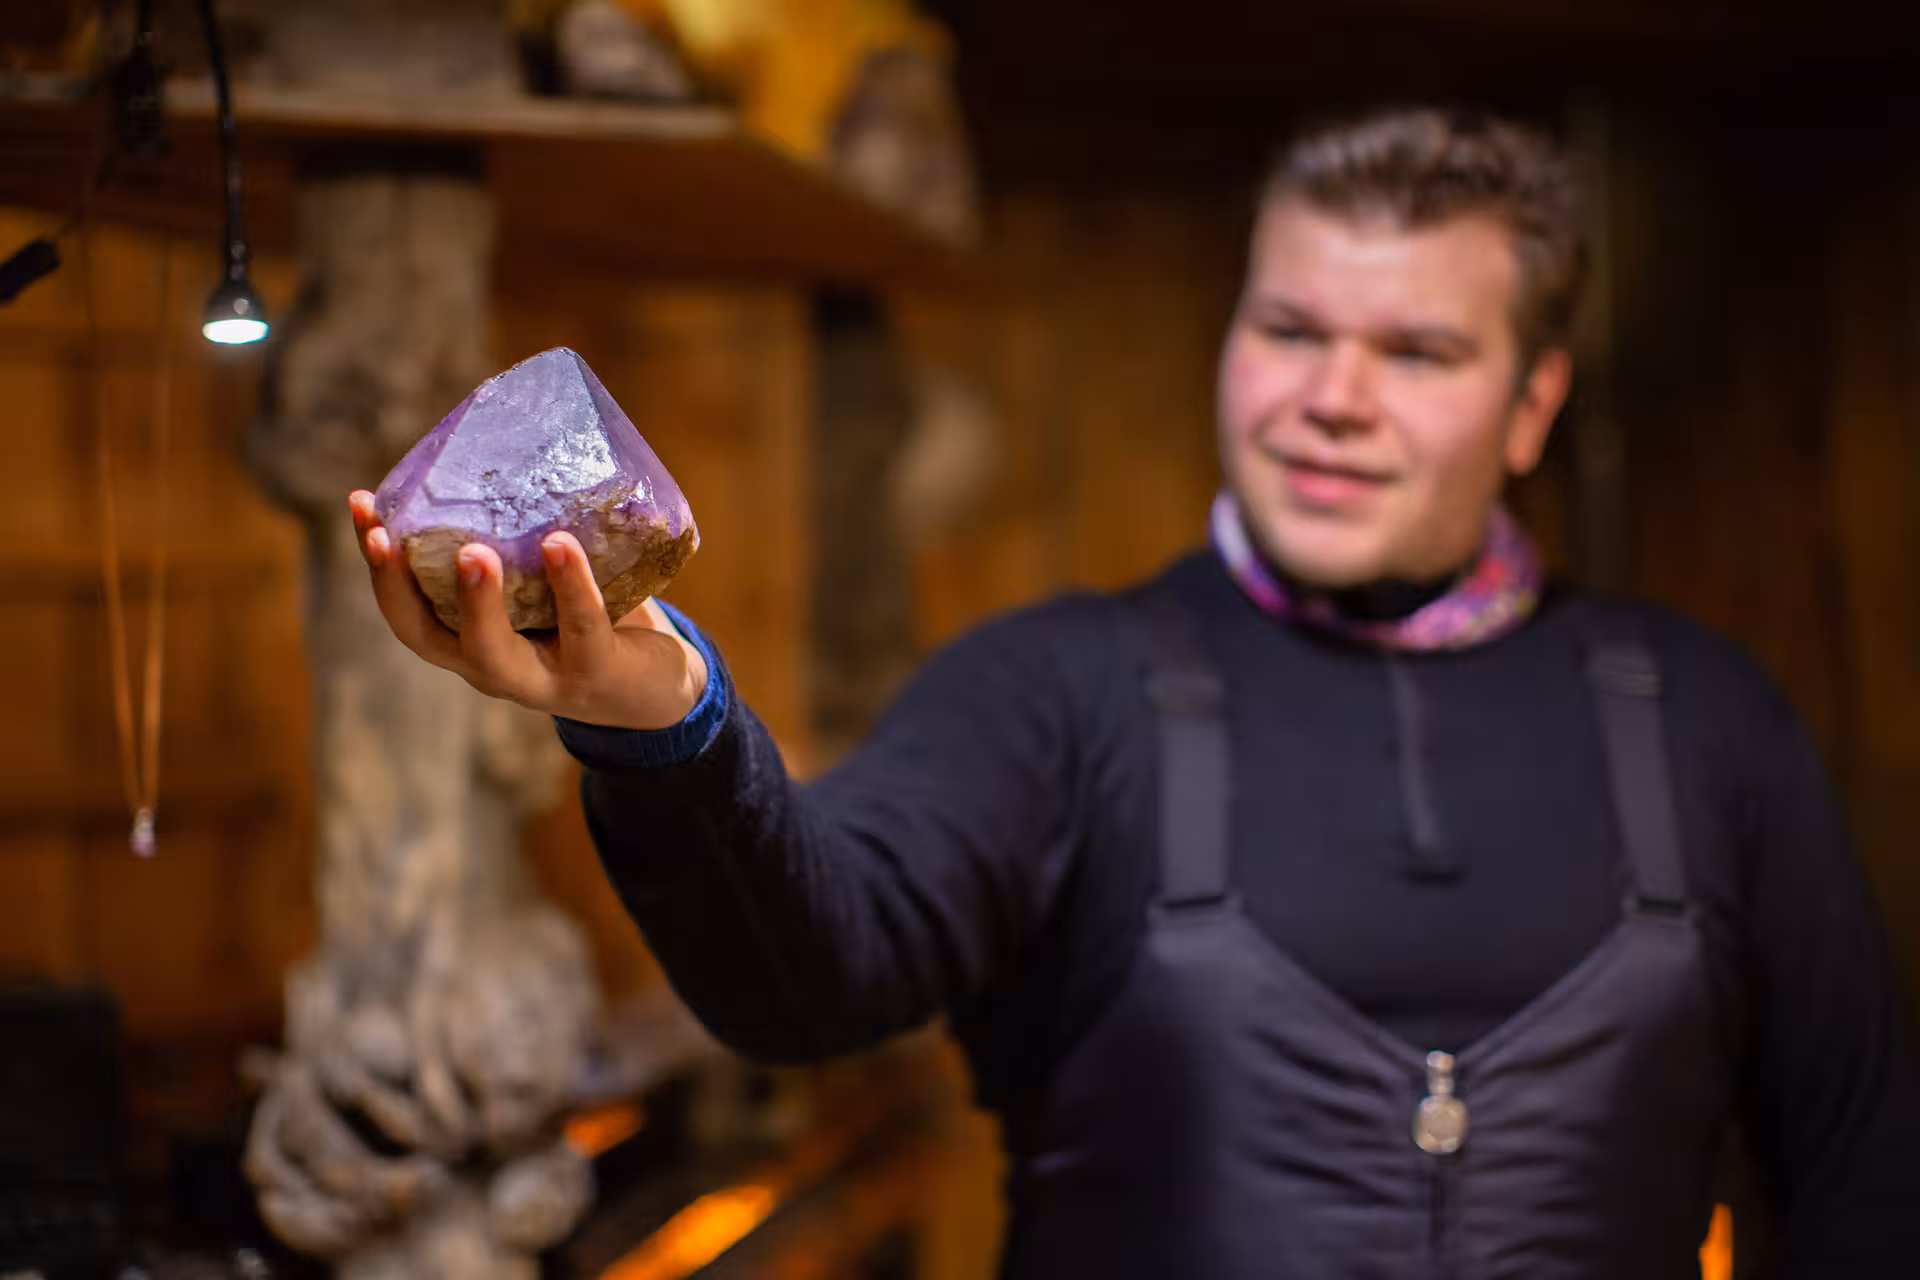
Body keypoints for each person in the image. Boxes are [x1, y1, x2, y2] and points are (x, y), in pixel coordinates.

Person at [349, 106, 1920, 1278]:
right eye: (1290, 327)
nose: (1332, 401)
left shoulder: (1705, 720)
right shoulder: (1059, 690)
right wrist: (659, 718)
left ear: (1531, 406)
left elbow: (1862, 1168)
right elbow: (810, 977)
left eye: (1419, 352)